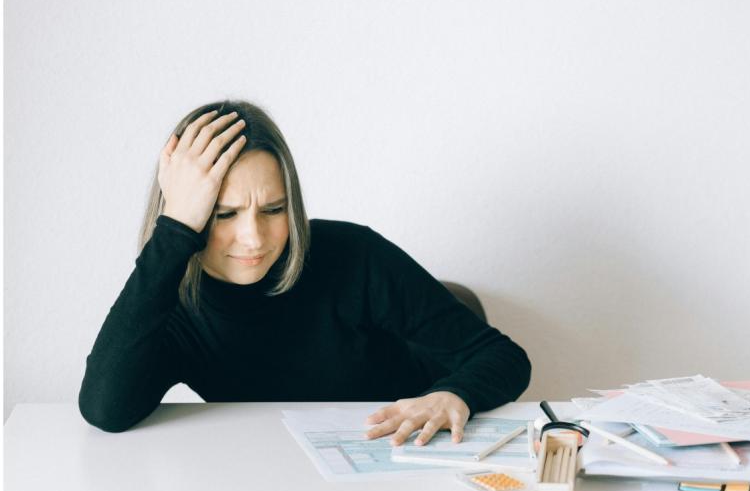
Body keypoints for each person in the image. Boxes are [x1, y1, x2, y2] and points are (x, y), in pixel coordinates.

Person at [78, 100, 532, 446]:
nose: (254, 239)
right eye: (224, 214)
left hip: (398, 462)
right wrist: (173, 233)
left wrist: (454, 394)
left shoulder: (353, 255)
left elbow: (504, 358)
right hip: (280, 477)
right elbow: (104, 409)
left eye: (273, 209)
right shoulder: (172, 303)